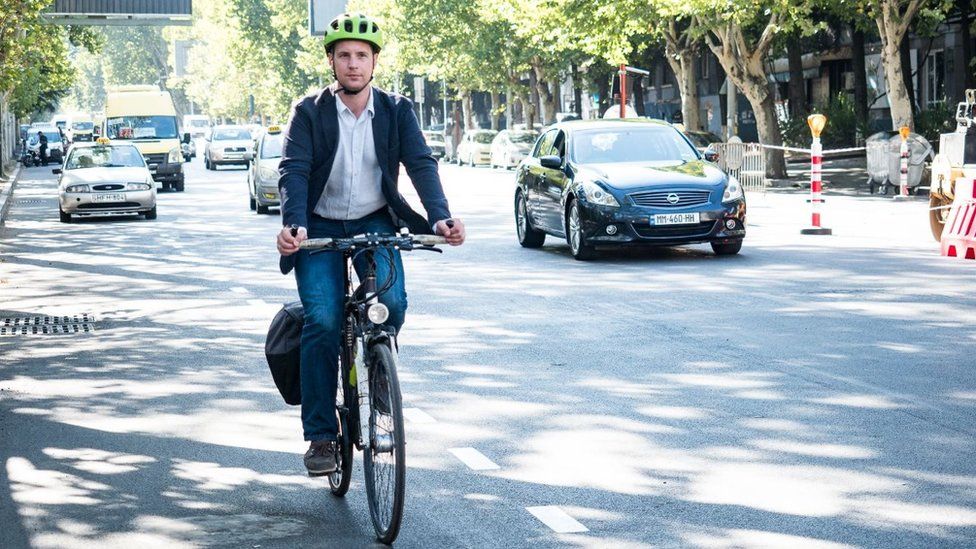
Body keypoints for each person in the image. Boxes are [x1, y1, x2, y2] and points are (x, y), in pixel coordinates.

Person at [275, 13, 466, 476]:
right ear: (332, 61)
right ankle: (321, 436)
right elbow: (293, 171)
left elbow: (421, 165)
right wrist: (293, 226)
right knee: (322, 320)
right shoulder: (308, 111)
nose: (354, 64)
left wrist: (440, 217)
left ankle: (380, 391)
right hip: (319, 225)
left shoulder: (397, 110)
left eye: (362, 56)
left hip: (375, 221)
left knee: (392, 304)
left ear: (375, 61)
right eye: (345, 55)